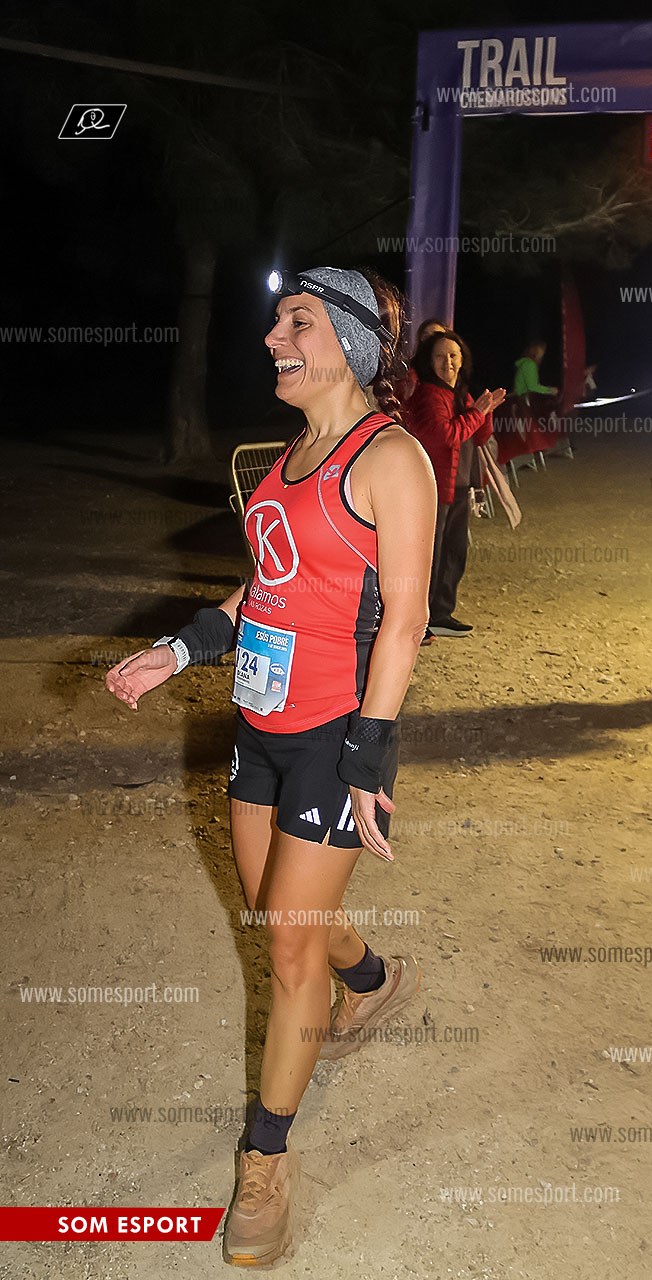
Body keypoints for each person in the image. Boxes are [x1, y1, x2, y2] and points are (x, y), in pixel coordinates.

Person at [105, 266, 437, 1267]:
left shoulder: (392, 459)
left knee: (289, 951)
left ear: (350, 343)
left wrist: (371, 751)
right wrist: (178, 650)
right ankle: (371, 977)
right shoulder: (289, 459)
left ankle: (267, 1159)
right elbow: (265, 589)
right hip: (259, 727)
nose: (272, 338)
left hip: (336, 737)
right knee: (278, 914)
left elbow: (407, 619)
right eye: (276, 320)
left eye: (298, 321)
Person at [403, 329, 505, 638]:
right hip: (434, 487)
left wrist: (484, 412)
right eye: (439, 356)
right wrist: (477, 413)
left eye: (452, 355)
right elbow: (445, 436)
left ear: (462, 360)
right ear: (428, 360)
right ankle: (417, 621)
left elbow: (480, 436)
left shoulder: (459, 393)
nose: (447, 362)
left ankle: (441, 613)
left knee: (454, 552)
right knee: (430, 556)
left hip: (459, 484)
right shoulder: (429, 395)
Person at [396, 317, 446, 402]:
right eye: (426, 336)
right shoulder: (409, 372)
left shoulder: (452, 369)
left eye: (437, 335)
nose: (431, 340)